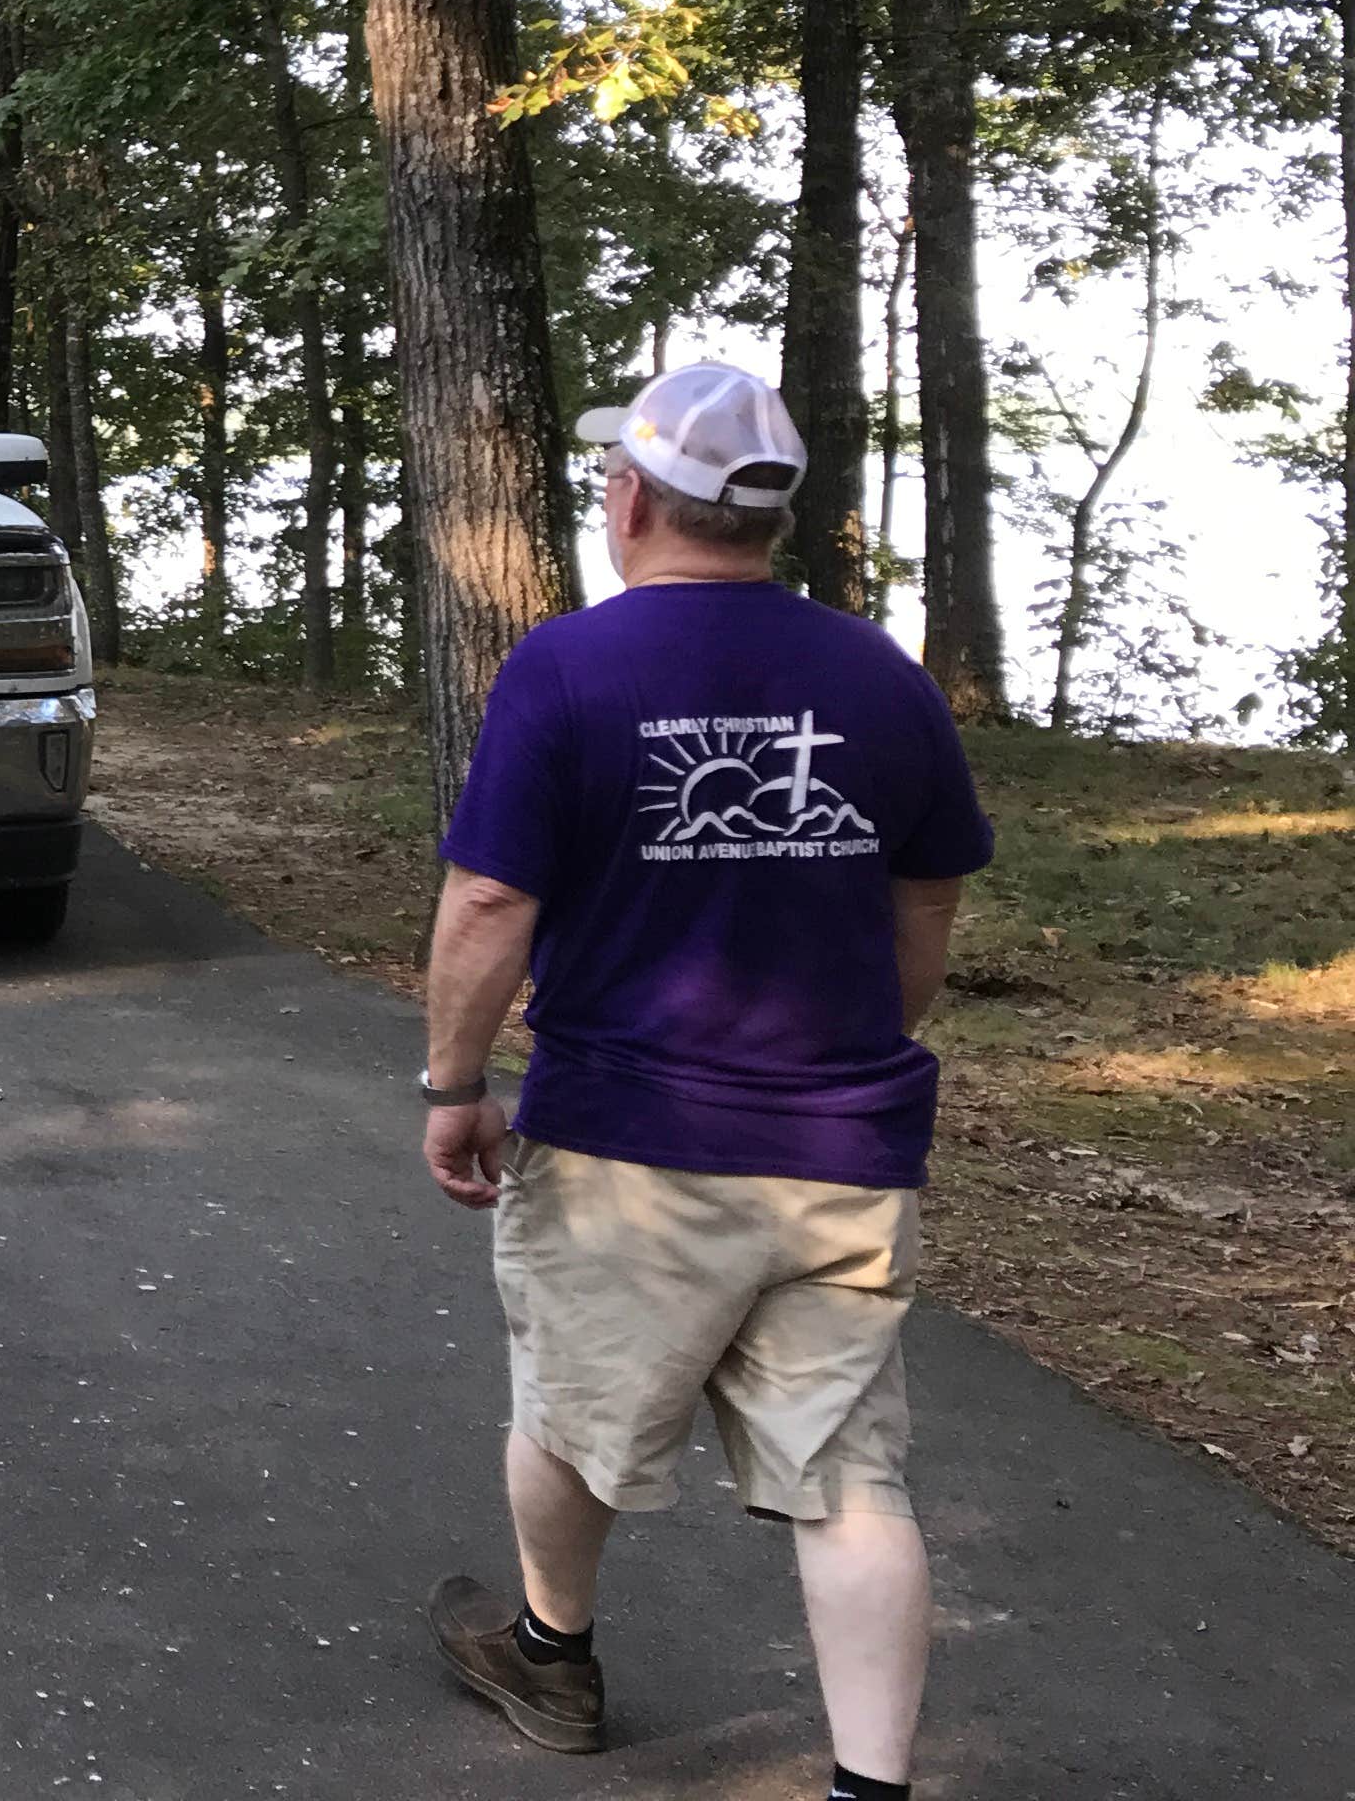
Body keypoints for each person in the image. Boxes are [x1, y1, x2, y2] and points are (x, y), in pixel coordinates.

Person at [418, 361, 992, 1801]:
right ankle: (871, 1787)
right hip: (842, 1152)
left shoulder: (567, 669)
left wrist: (452, 1081)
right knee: (852, 1481)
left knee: (570, 1415)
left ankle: (552, 1655)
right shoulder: (880, 675)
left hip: (629, 1142)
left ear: (629, 499)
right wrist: (852, 1044)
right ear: (769, 518)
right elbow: (927, 899)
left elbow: (489, 901)